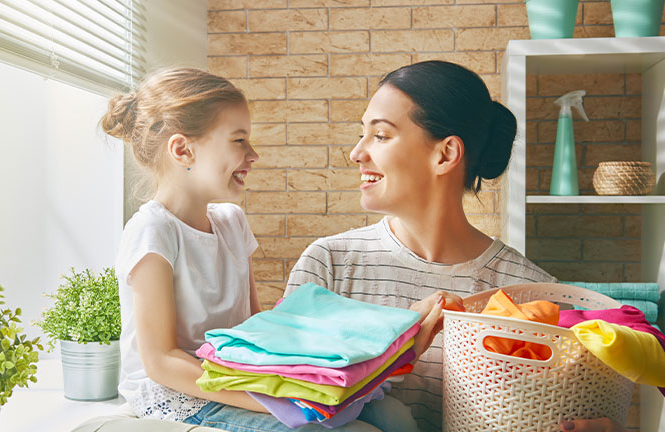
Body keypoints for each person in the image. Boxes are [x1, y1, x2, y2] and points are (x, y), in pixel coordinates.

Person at [285, 61, 626, 432]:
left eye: (380, 136)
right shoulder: (329, 266)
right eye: (362, 134)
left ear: (445, 154)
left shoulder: (530, 295)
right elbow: (274, 401)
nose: (356, 153)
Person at [93, 67, 417, 432]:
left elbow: (255, 327)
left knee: (395, 416)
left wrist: (295, 382)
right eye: (238, 140)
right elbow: (161, 361)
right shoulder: (153, 230)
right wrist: (267, 400)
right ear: (183, 149)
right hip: (177, 397)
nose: (253, 155)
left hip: (234, 379)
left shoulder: (232, 221)